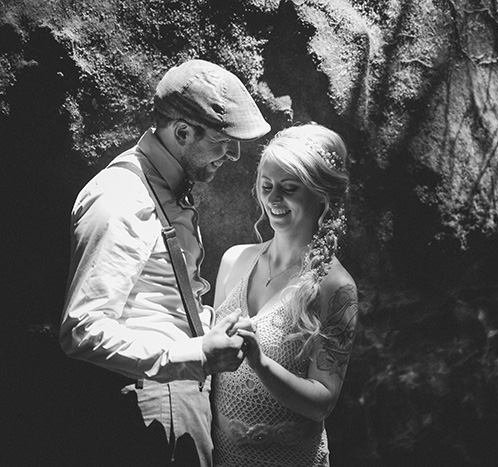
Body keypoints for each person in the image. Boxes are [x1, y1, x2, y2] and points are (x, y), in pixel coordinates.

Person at [60, 59, 270, 466]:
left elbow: (163, 301)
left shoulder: (166, 189)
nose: (234, 154)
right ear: (183, 132)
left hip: (179, 397)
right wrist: (195, 355)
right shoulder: (121, 196)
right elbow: (81, 328)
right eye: (224, 139)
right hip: (153, 407)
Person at [211, 123, 359, 466]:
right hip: (221, 456)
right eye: (267, 186)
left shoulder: (335, 288)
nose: (273, 199)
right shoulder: (234, 259)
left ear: (321, 194)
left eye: (289, 188)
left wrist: (260, 363)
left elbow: (323, 401)